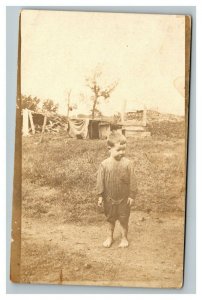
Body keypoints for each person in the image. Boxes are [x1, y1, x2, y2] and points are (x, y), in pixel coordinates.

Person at [96, 131, 138, 248]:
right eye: (118, 150)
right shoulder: (104, 164)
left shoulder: (128, 164)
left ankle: (124, 238)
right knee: (110, 219)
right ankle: (110, 237)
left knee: (124, 219)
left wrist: (132, 195)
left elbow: (133, 181)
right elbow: (100, 181)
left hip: (124, 199)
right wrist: (100, 196)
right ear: (109, 148)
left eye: (124, 149)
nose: (122, 152)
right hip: (109, 198)